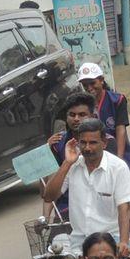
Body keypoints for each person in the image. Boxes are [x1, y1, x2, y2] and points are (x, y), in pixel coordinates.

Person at [43, 118, 130, 259]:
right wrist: (66, 163)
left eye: (93, 143)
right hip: (80, 241)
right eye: (83, 143)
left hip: (110, 240)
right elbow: (49, 196)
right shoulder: (73, 166)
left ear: (104, 143)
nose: (87, 148)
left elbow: (124, 208)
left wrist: (124, 242)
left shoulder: (118, 168)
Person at [45, 92, 96, 220]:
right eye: (72, 115)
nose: (76, 119)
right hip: (67, 209)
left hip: (101, 208)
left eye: (82, 115)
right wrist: (44, 217)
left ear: (93, 116)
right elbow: (49, 191)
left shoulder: (108, 142)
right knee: (57, 240)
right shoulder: (57, 144)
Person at [78, 62, 130, 173]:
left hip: (116, 150)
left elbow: (120, 129)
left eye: (92, 83)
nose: (89, 88)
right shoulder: (82, 104)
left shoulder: (117, 100)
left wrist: (119, 159)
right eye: (85, 85)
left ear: (101, 80)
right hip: (93, 154)